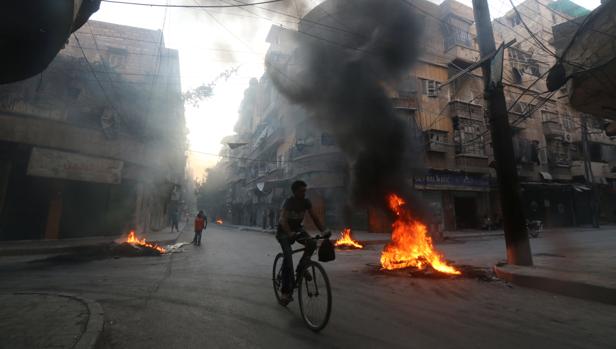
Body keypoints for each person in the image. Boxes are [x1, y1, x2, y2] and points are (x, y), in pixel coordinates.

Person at [277, 180, 327, 305]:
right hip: (284, 232)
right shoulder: (289, 202)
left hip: (297, 230)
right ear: (294, 192)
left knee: (311, 243)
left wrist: (324, 231)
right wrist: (289, 233)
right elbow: (282, 219)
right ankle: (285, 292)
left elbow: (314, 217)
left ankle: (301, 268)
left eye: (305, 190)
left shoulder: (306, 202)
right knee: (288, 258)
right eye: (301, 191)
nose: (304, 193)